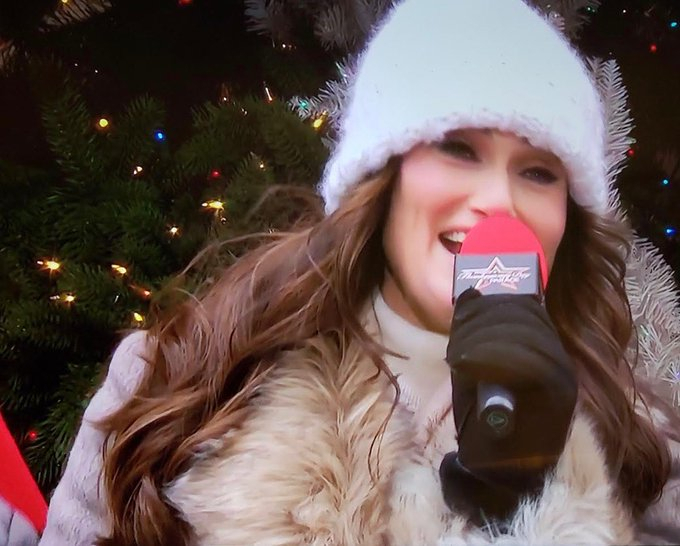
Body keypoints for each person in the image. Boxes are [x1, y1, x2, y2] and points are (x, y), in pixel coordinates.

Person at [40, 0, 680, 544]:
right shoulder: (179, 378)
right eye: (458, 149)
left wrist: (540, 502)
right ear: (383, 177)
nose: (500, 201)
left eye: (538, 172)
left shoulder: (639, 448)